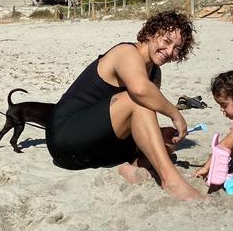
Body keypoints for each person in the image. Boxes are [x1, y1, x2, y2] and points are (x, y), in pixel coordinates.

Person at [46, 10, 202, 201]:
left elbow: (136, 117)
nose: (169, 51)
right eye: (166, 41)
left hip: (98, 145)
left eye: (177, 48)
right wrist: (175, 114)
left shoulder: (154, 73)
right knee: (139, 100)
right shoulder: (126, 52)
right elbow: (139, 91)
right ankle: (172, 182)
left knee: (167, 139)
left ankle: (128, 167)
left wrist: (160, 135)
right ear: (152, 33)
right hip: (66, 136)